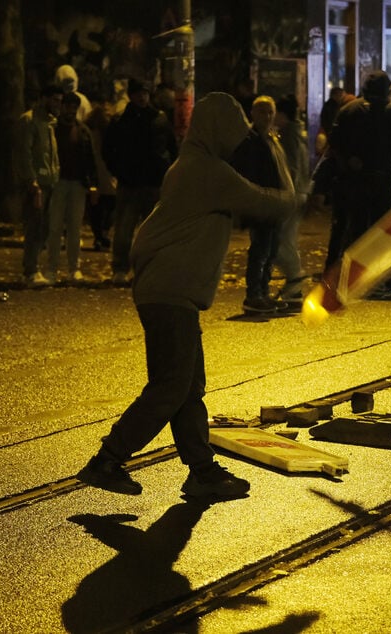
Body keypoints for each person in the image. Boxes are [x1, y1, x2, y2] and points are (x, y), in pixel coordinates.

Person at [76, 92, 297, 499]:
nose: (237, 141)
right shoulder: (206, 171)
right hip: (170, 291)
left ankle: (202, 471)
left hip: (169, 291)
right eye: (233, 132)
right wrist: (299, 185)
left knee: (187, 385)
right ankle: (107, 459)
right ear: (218, 130)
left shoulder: (191, 166)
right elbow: (267, 204)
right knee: (171, 385)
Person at [327, 70, 391, 267]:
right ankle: (376, 274)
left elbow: (334, 142)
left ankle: (352, 272)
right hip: (382, 176)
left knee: (356, 227)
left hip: (354, 178)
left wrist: (349, 159)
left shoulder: (348, 111)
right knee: (381, 229)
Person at [103, 78, 177, 285]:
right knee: (125, 230)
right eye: (138, 93)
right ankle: (121, 268)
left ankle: (147, 268)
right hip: (131, 181)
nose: (142, 97)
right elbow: (109, 150)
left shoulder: (158, 119)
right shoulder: (122, 121)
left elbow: (171, 147)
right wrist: (118, 170)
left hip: (152, 181)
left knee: (150, 230)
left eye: (144, 93)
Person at [231, 95, 295, 314]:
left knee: (271, 249)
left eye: (270, 112)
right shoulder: (249, 141)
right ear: (253, 113)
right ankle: (254, 294)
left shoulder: (271, 138)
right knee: (260, 249)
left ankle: (263, 292)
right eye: (262, 112)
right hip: (261, 202)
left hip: (275, 201)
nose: (267, 116)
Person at [45, 91, 98, 282]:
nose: (71, 110)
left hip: (77, 183)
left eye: (74, 107)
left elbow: (91, 159)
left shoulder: (82, 130)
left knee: (74, 228)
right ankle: (52, 268)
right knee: (55, 228)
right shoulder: (53, 128)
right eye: (68, 106)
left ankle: (73, 268)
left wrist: (93, 184)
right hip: (59, 182)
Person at [14, 83, 63, 286]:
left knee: (44, 227)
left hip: (49, 182)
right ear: (44, 99)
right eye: (55, 100)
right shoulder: (29, 121)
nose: (58, 104)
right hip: (36, 184)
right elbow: (24, 153)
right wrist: (31, 180)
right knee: (34, 226)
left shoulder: (50, 122)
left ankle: (34, 267)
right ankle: (30, 270)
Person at [273, 94, 310, 302]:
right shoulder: (297, 131)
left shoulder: (289, 134)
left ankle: (295, 280)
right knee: (287, 238)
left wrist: (287, 191)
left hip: (292, 193)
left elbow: (293, 166)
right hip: (299, 191)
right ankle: (293, 285)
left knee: (281, 241)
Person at [85, 92, 117, 251]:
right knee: (110, 204)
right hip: (107, 172)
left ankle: (99, 235)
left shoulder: (89, 129)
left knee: (96, 207)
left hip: (96, 172)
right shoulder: (110, 129)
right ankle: (102, 233)